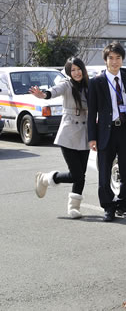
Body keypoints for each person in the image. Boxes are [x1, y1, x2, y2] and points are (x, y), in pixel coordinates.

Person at [87, 41, 126, 222]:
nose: (115, 62)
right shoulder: (97, 82)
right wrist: (91, 137)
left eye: (118, 58)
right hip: (106, 131)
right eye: (111, 58)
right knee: (104, 171)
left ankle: (122, 204)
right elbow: (91, 112)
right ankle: (108, 207)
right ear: (105, 60)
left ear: (122, 59)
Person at [31, 57, 90, 218]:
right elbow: (54, 91)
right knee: (76, 174)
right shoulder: (66, 84)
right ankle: (46, 178)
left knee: (81, 174)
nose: (76, 73)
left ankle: (73, 208)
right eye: (73, 70)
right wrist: (43, 95)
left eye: (79, 69)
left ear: (83, 70)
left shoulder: (89, 85)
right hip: (69, 132)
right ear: (69, 72)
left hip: (85, 134)